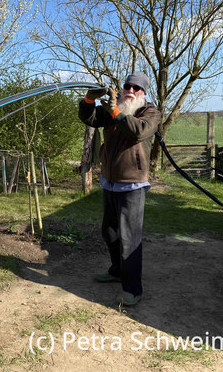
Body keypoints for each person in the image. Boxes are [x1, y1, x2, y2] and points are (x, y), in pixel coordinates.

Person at [78, 72, 161, 306]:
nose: (131, 90)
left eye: (137, 88)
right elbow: (91, 118)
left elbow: (139, 131)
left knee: (130, 238)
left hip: (132, 184)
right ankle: (116, 271)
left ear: (143, 93)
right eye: (128, 86)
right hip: (110, 180)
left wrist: (116, 112)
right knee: (110, 231)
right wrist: (88, 100)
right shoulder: (114, 109)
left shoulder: (150, 112)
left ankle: (133, 289)